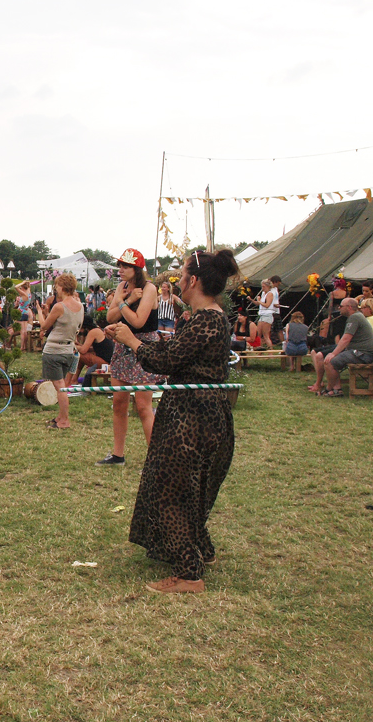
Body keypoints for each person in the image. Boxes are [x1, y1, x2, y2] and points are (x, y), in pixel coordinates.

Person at [105, 248, 239, 594]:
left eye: (182, 275)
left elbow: (167, 362)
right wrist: (133, 340)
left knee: (172, 491)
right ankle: (202, 549)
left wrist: (132, 341)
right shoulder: (201, 318)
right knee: (187, 488)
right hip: (192, 412)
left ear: (194, 281)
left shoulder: (208, 320)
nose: (178, 280)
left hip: (194, 419)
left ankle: (189, 573)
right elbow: (173, 353)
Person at [98, 248, 164, 466]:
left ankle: (155, 460)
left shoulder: (150, 289)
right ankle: (118, 454)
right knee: (119, 402)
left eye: (125, 266)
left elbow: (137, 321)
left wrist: (122, 303)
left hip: (143, 347)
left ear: (137, 269)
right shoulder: (122, 287)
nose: (120, 270)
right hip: (122, 347)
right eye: (120, 265)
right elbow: (110, 316)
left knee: (143, 406)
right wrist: (125, 299)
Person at [39, 273, 85, 429]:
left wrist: (40, 311)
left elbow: (44, 326)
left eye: (57, 286)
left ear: (63, 287)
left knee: (60, 388)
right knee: (62, 385)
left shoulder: (59, 306)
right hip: (68, 350)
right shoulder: (80, 307)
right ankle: (60, 417)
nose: (56, 289)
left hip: (54, 350)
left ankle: (64, 420)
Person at [318, 298, 373, 397]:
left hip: (363, 354)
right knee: (332, 359)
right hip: (362, 352)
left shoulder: (355, 318)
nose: (339, 308)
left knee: (330, 361)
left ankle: (332, 389)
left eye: (341, 306)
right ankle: (335, 389)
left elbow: (346, 339)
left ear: (349, 307)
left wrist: (333, 353)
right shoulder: (357, 316)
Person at [73, 315, 114, 386]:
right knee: (82, 355)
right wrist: (78, 346)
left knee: (80, 355)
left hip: (107, 364)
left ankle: (73, 380)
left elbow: (83, 350)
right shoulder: (97, 330)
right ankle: (73, 380)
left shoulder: (93, 332)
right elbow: (89, 348)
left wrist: (72, 346)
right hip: (108, 361)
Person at [252, 279, 277, 349]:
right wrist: (252, 300)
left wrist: (259, 301)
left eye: (264, 286)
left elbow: (267, 305)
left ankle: (270, 351)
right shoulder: (263, 293)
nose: (262, 288)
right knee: (258, 334)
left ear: (268, 286)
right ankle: (260, 350)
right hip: (262, 315)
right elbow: (259, 304)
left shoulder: (270, 294)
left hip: (267, 315)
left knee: (266, 335)